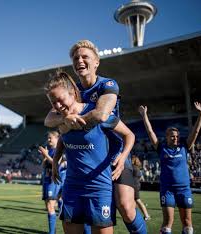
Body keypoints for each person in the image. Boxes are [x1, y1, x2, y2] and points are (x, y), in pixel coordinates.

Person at [45, 40, 147, 233]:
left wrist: (71, 119)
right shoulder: (71, 91)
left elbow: (100, 114)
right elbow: (50, 119)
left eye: (85, 57)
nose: (80, 60)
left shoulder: (107, 84)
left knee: (125, 206)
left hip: (115, 155)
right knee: (80, 216)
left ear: (97, 62)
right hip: (90, 159)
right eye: (76, 58)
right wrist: (66, 120)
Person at [138, 102, 201, 234]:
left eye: (177, 136)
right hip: (167, 190)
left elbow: (196, 132)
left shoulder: (185, 147)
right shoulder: (161, 148)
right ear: (167, 137)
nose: (175, 138)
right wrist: (144, 115)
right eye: (172, 136)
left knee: (187, 222)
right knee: (168, 222)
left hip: (184, 189)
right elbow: (150, 132)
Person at [39, 131, 66, 234]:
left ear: (57, 139)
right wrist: (44, 156)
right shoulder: (49, 150)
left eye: (51, 138)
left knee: (50, 206)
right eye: (48, 138)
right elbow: (44, 166)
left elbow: (58, 164)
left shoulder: (59, 150)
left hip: (53, 181)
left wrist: (46, 154)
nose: (49, 140)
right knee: (48, 206)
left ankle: (52, 232)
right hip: (47, 179)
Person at [132, 155, 151, 221]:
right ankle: (135, 215)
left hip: (134, 186)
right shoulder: (137, 168)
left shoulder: (133, 167)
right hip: (137, 185)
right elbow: (140, 178)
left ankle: (146, 215)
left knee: (138, 200)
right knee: (134, 201)